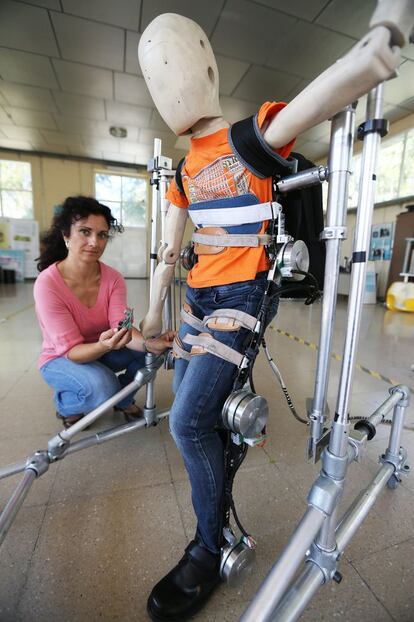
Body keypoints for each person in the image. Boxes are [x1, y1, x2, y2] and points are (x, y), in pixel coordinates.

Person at [137, 9, 408, 621]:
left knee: (185, 424)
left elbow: (310, 104)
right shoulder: (183, 170)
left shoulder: (247, 137)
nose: (167, 88)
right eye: (154, 80)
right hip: (198, 300)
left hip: (242, 299)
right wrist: (154, 308)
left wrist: (374, 50)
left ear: (208, 67)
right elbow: (170, 246)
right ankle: (220, 493)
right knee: (199, 417)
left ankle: (209, 547)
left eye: (172, 69)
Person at [34, 195, 174, 428]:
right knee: (104, 387)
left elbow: (120, 324)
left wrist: (151, 344)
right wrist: (103, 346)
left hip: (102, 349)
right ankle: (67, 404)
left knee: (150, 352)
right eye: (85, 232)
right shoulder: (48, 284)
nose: (94, 242)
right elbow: (71, 350)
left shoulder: (113, 278)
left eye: (102, 235)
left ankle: (122, 400)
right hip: (62, 358)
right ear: (66, 235)